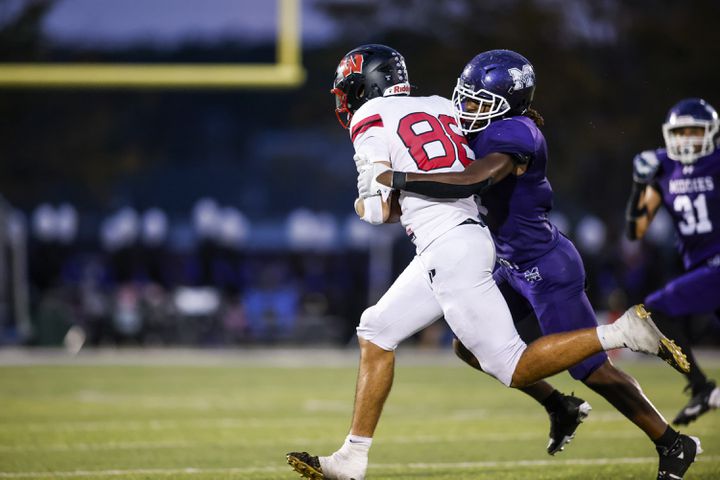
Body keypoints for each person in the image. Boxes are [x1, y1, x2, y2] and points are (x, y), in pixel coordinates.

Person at [286, 44, 688, 480]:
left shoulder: (515, 132)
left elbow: (460, 183)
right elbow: (433, 181)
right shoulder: (443, 109)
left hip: (533, 261)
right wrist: (397, 189)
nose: (466, 106)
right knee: (383, 330)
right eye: (466, 95)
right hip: (484, 250)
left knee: (543, 367)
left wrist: (387, 186)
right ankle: (353, 458)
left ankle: (630, 350)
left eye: (479, 101)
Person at [625, 97, 720, 426]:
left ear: (711, 133)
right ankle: (701, 389)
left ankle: (701, 388)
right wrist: (641, 185)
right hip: (701, 267)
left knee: (655, 311)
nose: (688, 139)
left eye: (696, 131)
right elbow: (636, 229)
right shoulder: (664, 166)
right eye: (681, 132)